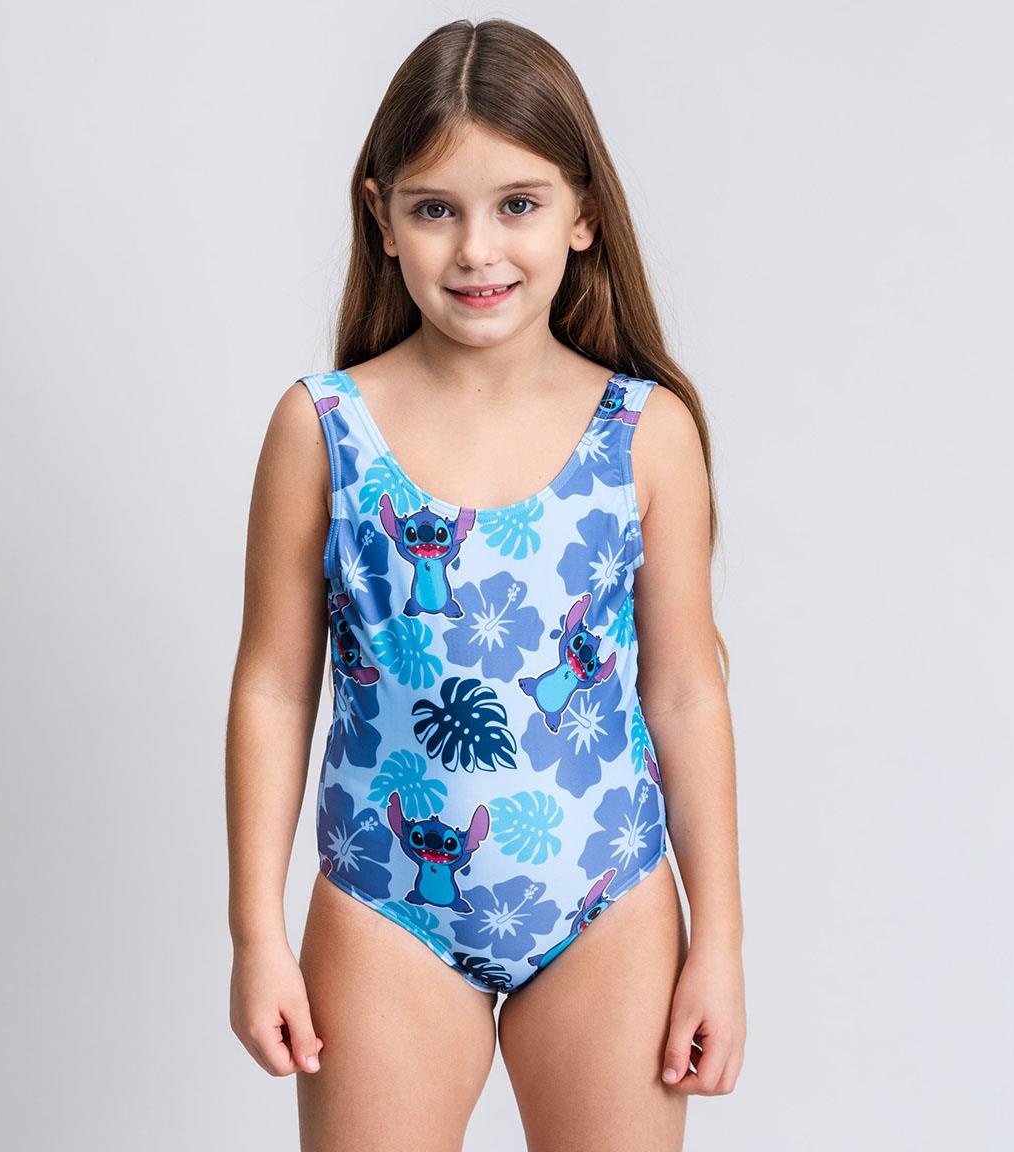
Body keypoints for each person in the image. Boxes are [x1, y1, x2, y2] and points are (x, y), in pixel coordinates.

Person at [226, 18, 745, 1151]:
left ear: (582, 212)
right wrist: (255, 933)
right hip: (384, 911)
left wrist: (720, 942)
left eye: (518, 204)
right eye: (435, 209)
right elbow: (273, 686)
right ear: (381, 217)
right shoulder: (323, 430)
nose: (476, 250)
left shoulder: (646, 433)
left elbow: (685, 691)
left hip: (608, 901)